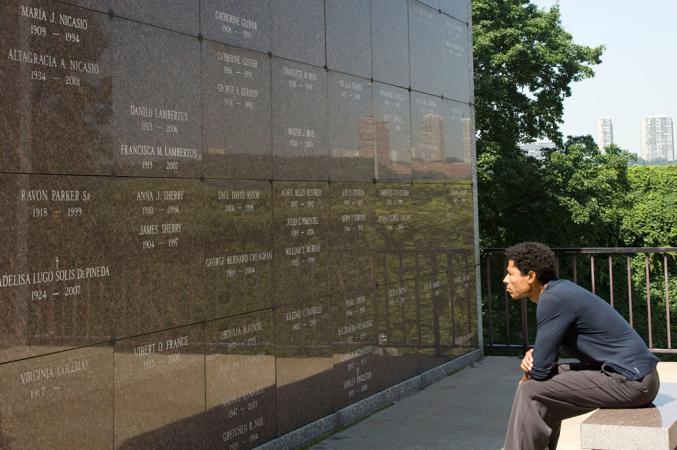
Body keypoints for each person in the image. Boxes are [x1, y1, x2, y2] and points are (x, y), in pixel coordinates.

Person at [502, 242, 659, 450]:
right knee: (544, 384)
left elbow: (539, 370)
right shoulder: (561, 291)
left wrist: (533, 364)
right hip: (636, 376)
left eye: (510, 273)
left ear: (530, 276)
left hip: (633, 381)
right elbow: (546, 360)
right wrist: (535, 355)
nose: (506, 280)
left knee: (531, 390)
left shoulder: (553, 299)